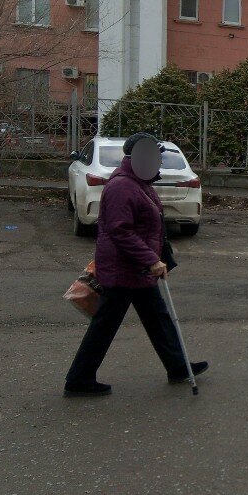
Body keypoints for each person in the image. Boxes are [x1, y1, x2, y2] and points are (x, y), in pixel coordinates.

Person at [64, 132, 208, 396]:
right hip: (123, 270)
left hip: (138, 270)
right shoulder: (122, 186)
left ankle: (177, 366)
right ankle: (78, 380)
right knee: (104, 326)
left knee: (159, 319)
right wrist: (150, 259)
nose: (159, 161)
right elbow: (120, 231)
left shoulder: (139, 183)